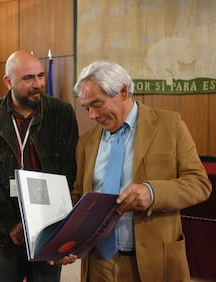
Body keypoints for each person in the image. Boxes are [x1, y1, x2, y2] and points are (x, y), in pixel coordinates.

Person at [71, 60, 212, 281]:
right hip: (98, 264)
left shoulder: (170, 125)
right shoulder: (86, 143)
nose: (92, 115)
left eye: (97, 104)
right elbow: (78, 197)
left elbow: (199, 184)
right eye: (86, 107)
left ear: (123, 91)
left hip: (153, 262)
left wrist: (152, 192)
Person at [0, 50, 79, 282]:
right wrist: (10, 223)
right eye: (28, 78)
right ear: (8, 81)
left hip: (48, 226)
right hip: (3, 230)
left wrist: (52, 222)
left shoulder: (61, 113)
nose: (38, 84)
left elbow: (68, 170)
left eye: (41, 76)